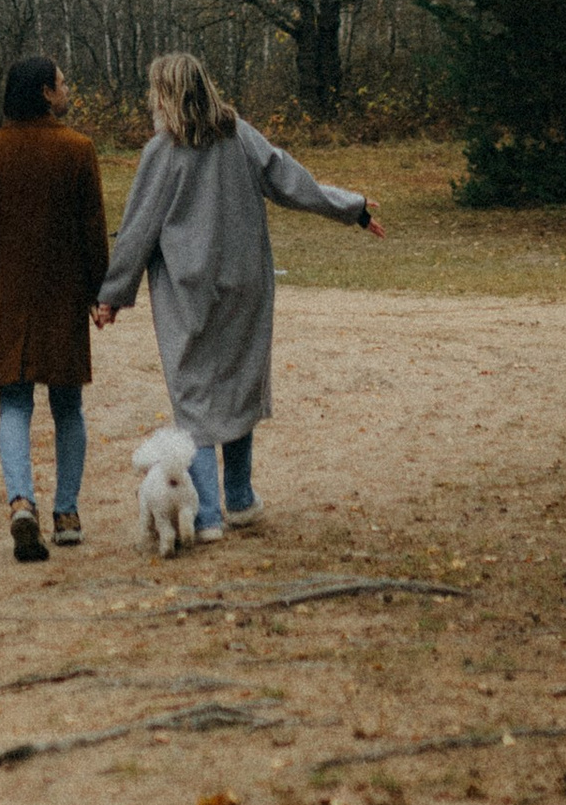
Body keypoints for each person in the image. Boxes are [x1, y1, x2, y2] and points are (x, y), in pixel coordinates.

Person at [97, 50, 381, 536]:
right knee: (238, 387)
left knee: (195, 400)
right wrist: (350, 207)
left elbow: (138, 228)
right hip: (245, 285)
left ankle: (207, 515)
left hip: (189, 293)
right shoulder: (240, 135)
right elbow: (292, 181)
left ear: (165, 95)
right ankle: (242, 498)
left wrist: (112, 294)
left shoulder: (162, 153)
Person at [0, 55, 112, 563]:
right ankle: (66, 513)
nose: (68, 89)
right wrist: (98, 292)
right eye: (63, 83)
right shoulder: (77, 150)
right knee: (68, 405)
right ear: (47, 92)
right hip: (62, 294)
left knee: (14, 404)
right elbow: (92, 229)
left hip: (7, 294)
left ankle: (21, 500)